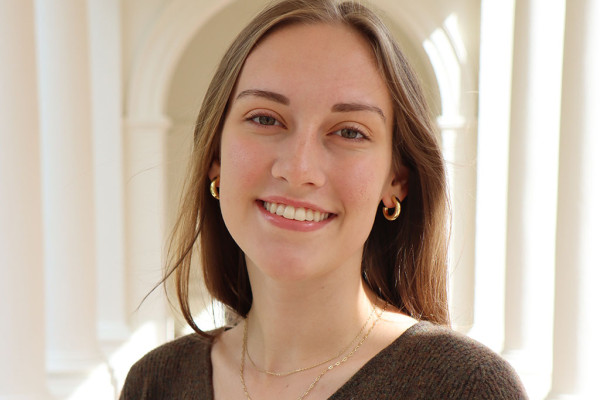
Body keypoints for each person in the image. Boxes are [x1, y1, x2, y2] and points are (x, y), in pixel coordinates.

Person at [120, 0, 528, 398]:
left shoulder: (467, 388)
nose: (298, 170)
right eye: (265, 118)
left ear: (396, 181)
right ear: (216, 160)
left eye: (349, 131)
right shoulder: (155, 383)